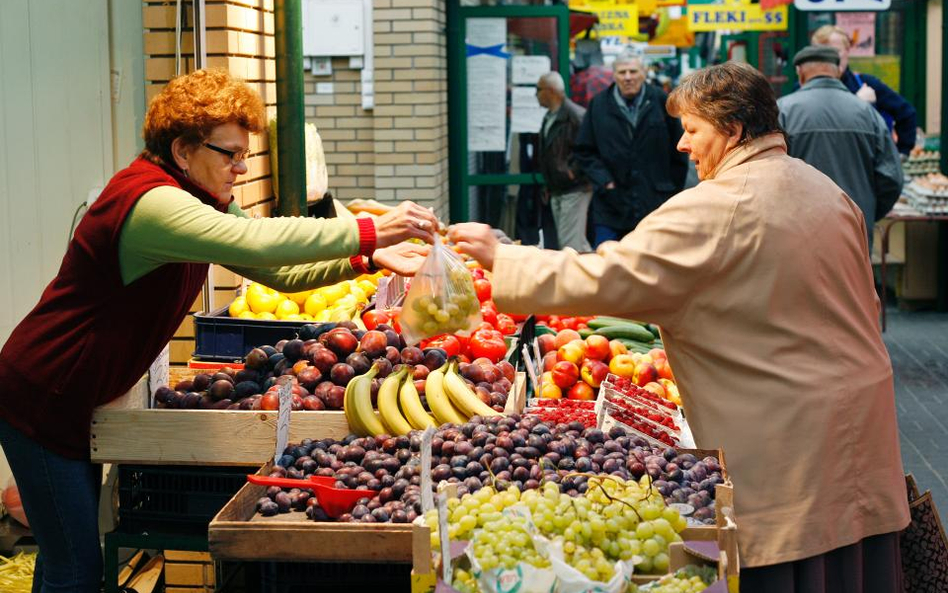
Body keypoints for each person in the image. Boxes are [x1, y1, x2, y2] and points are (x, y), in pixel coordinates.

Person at [450, 61, 909, 592]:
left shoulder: (714, 207)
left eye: (692, 130)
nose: (682, 146)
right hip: (860, 416)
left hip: (787, 438)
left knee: (792, 558)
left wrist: (503, 259)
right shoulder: (826, 190)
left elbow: (610, 278)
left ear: (733, 130)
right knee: (851, 560)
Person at [0, 68, 438, 592]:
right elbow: (255, 244)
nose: (242, 166)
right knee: (75, 568)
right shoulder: (152, 202)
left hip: (73, 393)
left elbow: (276, 270)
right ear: (183, 150)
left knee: (63, 558)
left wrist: (365, 258)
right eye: (229, 153)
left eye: (243, 152)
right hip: (44, 393)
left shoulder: (194, 197)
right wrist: (368, 227)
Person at [778, 45, 903, 250]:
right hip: (853, 231)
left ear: (800, 73)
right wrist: (866, 211)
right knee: (853, 282)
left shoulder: (783, 111)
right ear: (838, 71)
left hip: (797, 232)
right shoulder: (868, 113)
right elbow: (891, 178)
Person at [573, 50, 687, 247]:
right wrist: (605, 181)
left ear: (643, 73)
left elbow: (680, 149)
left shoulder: (662, 101)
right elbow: (584, 150)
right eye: (622, 72)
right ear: (614, 75)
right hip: (610, 206)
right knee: (606, 266)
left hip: (654, 204)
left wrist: (669, 189)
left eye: (633, 72)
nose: (628, 77)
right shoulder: (599, 105)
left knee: (653, 266)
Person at [812, 24, 917, 157]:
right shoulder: (803, 90)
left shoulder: (866, 83)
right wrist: (858, 103)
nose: (831, 59)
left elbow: (907, 113)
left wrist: (901, 154)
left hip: (864, 166)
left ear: (847, 51)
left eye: (835, 51)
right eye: (823, 53)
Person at [535, 71, 592, 252]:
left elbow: (589, 150)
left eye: (538, 89)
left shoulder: (576, 116)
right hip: (558, 188)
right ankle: (600, 275)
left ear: (550, 91)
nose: (536, 94)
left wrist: (572, 173)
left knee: (570, 245)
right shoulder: (549, 117)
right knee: (574, 243)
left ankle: (585, 278)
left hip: (574, 188)